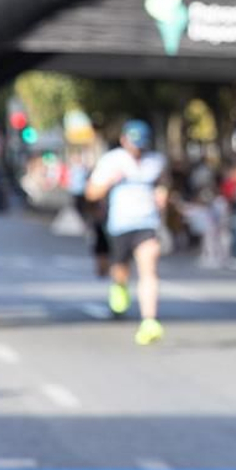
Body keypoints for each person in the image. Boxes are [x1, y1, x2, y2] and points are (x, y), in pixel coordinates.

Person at [85, 119, 170, 346]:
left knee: (149, 268)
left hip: (146, 223)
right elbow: (91, 193)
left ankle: (149, 320)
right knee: (120, 269)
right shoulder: (112, 161)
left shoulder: (156, 162)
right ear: (124, 141)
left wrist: (162, 195)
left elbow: (163, 184)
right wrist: (110, 182)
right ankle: (119, 287)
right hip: (120, 224)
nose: (138, 149)